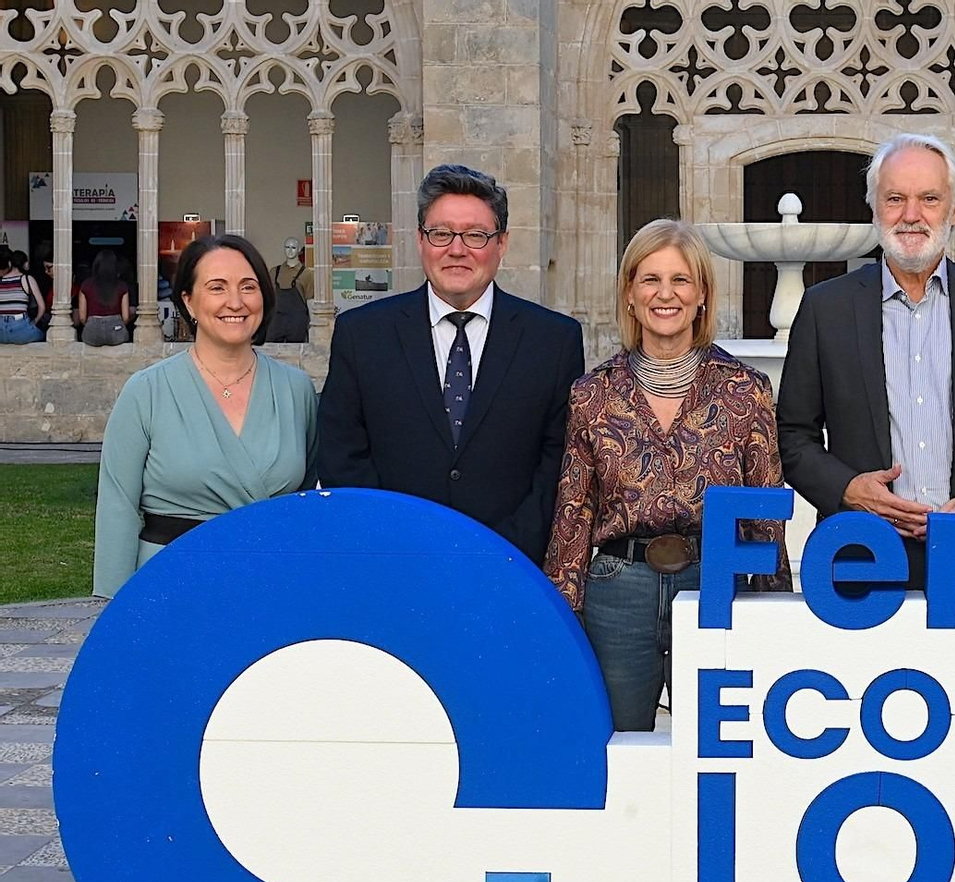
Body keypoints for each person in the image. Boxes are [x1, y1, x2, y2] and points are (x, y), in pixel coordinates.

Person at [776, 132, 955, 589]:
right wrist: (850, 490)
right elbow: (793, 436)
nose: (911, 215)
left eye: (929, 199)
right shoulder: (825, 309)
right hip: (860, 558)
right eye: (895, 198)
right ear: (874, 208)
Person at [545, 219, 791, 731]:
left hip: (715, 584)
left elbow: (766, 511)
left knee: (718, 750)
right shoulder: (593, 394)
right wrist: (559, 616)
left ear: (702, 294)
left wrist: (775, 610)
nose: (666, 294)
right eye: (650, 279)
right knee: (617, 749)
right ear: (630, 294)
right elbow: (574, 513)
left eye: (680, 280)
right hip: (618, 592)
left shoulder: (745, 390)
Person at [317, 164, 582, 564]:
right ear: (421, 240)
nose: (456, 249)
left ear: (502, 243)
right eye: (441, 234)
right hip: (391, 565)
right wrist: (396, 548)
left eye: (476, 235)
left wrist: (498, 555)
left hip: (510, 571)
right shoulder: (363, 335)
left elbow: (557, 465)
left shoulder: (553, 341)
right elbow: (343, 457)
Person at [93, 234, 318, 597]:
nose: (236, 302)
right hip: (171, 585)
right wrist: (116, 610)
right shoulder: (147, 391)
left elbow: (307, 503)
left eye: (249, 287)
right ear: (189, 301)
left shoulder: (296, 390)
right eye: (217, 288)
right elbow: (118, 503)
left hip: (271, 585)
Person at [77, 250, 131, 346]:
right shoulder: (122, 286)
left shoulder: (86, 285)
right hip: (116, 331)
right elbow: (126, 317)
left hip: (92, 332)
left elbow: (82, 317)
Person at [265, 238, 311, 343]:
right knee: (271, 352)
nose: (290, 251)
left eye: (293, 247)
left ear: (299, 250)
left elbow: (310, 301)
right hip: (276, 320)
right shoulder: (274, 272)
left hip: (297, 321)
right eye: (287, 247)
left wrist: (312, 325)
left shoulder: (307, 274)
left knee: (295, 353)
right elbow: (267, 298)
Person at [0, 249, 46, 344]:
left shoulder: (1, 280)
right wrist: (34, 322)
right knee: (43, 335)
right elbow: (42, 307)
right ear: (25, 263)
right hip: (20, 328)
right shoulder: (27, 279)